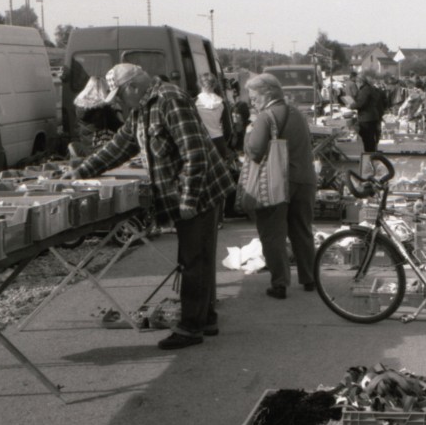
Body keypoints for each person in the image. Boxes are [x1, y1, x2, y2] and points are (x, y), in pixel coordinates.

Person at [67, 64, 234, 350]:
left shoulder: (169, 99)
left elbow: (194, 153)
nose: (118, 102)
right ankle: (205, 319)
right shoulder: (144, 107)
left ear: (133, 87)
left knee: (194, 260)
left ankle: (190, 328)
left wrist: (189, 199)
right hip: (193, 190)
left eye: (120, 95)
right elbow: (121, 145)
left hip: (200, 191)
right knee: (198, 258)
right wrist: (82, 171)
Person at [244, 74, 317, 300]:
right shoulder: (298, 114)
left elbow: (254, 151)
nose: (252, 101)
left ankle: (280, 284)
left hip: (277, 181)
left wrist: (247, 134)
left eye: (254, 96)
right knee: (302, 230)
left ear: (266, 94)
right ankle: (309, 278)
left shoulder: (266, 117)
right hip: (304, 178)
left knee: (273, 233)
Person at [195, 72, 234, 164]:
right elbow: (228, 127)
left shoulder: (194, 102)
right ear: (215, 84)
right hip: (218, 140)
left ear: (199, 84)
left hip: (201, 141)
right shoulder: (222, 103)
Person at [353, 74, 386, 153]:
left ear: (360, 82)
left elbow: (361, 103)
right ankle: (372, 154)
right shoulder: (371, 89)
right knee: (371, 138)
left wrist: (351, 105)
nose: (356, 84)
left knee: (367, 138)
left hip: (366, 117)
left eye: (356, 82)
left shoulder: (364, 90)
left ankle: (369, 156)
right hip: (373, 116)